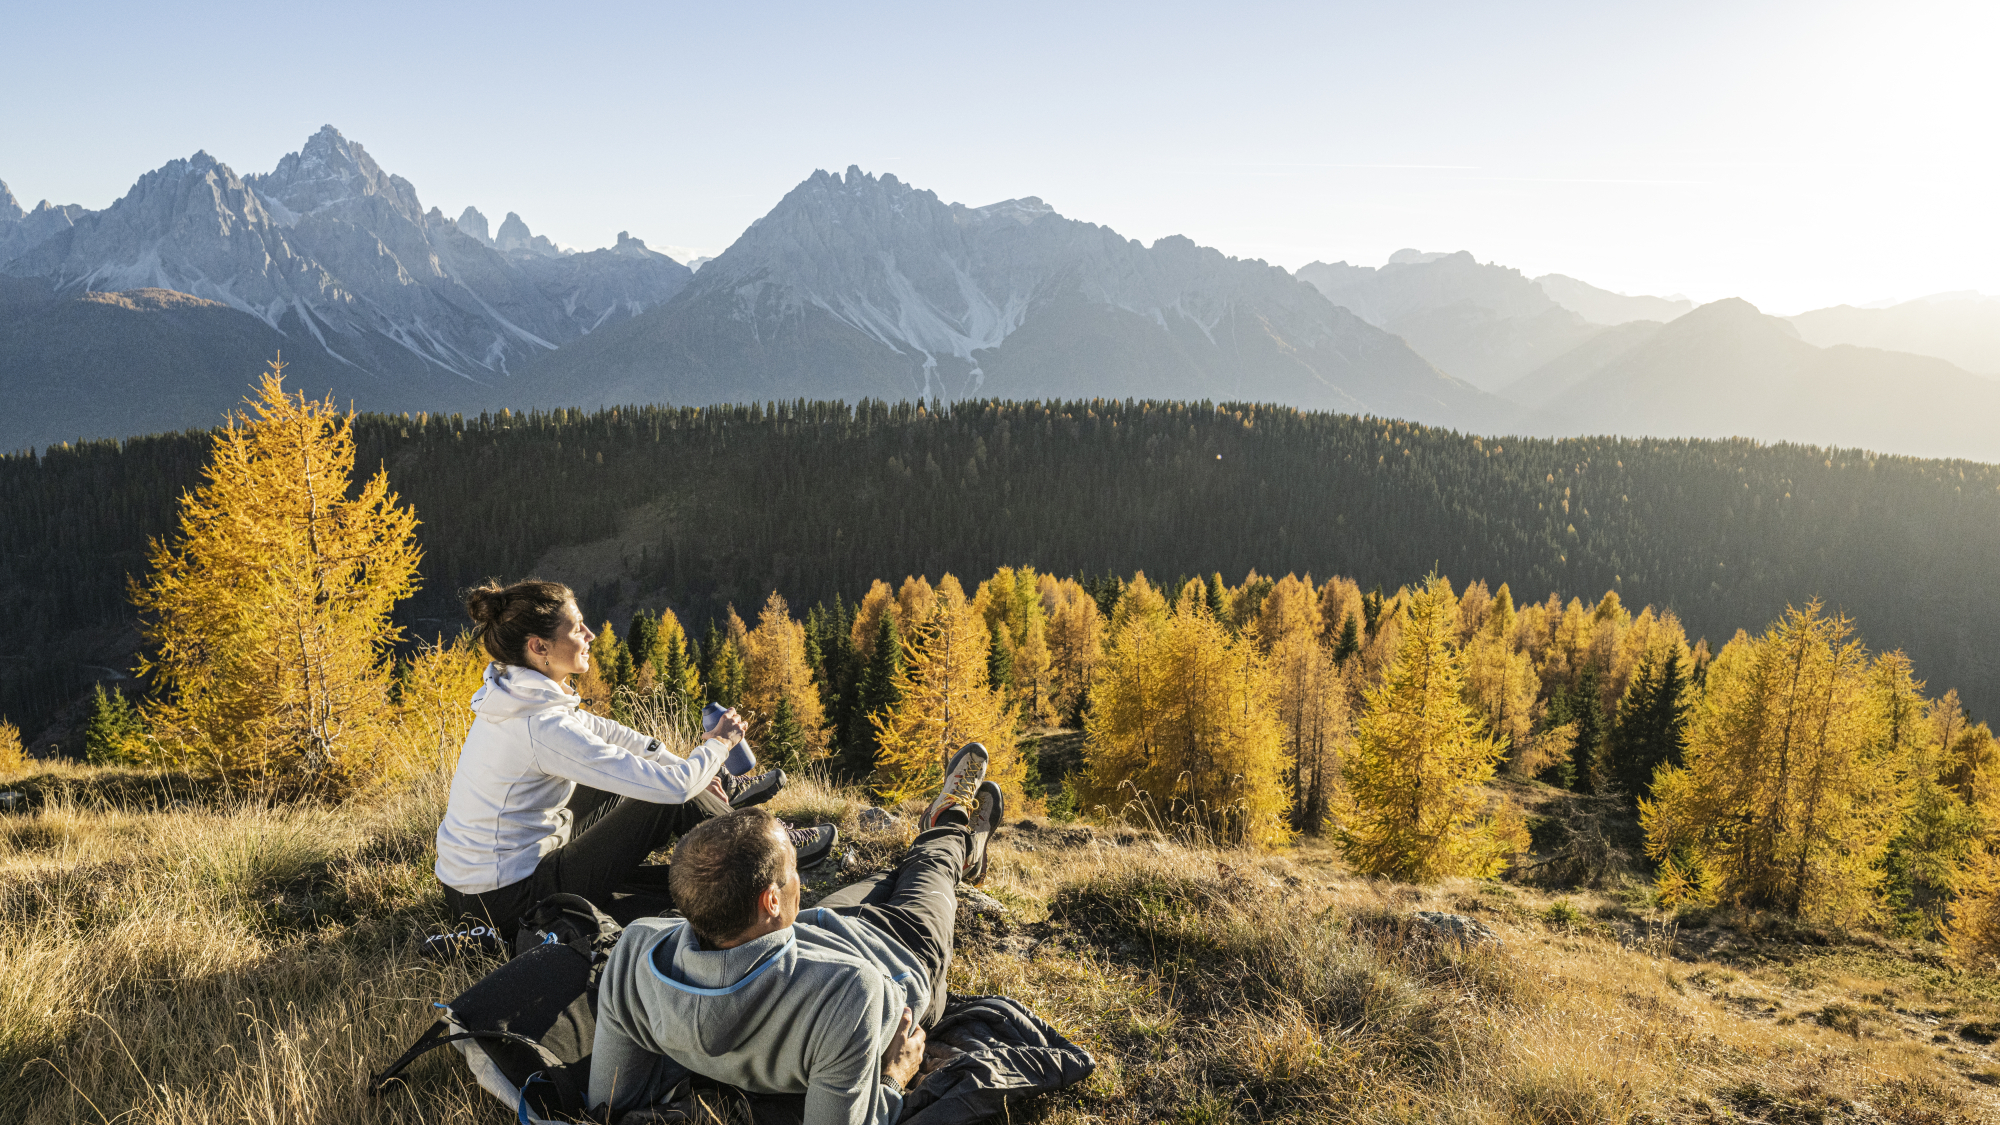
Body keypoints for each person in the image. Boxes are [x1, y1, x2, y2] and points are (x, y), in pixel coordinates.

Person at [589, 743, 1004, 1124]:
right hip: (903, 952)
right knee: (933, 867)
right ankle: (954, 823)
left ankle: (937, 844)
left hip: (821, 925)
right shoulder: (847, 998)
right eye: (793, 873)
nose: (798, 880)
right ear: (771, 900)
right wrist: (894, 1080)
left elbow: (608, 1101)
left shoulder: (636, 949)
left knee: (893, 872)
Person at [435, 578, 837, 938]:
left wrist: (680, 764)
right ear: (539, 647)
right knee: (665, 800)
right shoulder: (540, 726)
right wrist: (718, 747)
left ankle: (721, 797)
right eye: (577, 628)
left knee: (647, 779)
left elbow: (609, 735)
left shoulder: (515, 692)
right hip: (503, 904)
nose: (590, 634)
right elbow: (673, 788)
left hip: (475, 887)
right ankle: (771, 852)